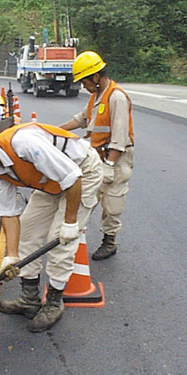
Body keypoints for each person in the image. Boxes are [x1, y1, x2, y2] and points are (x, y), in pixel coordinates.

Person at [0, 122, 103, 332]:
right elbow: (9, 213)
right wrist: (12, 256)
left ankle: (54, 302)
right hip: (52, 181)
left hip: (82, 173)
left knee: (59, 239)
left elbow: (72, 178)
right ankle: (29, 298)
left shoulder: (24, 144)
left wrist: (70, 223)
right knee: (27, 230)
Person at [59, 51, 134, 261]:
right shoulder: (96, 96)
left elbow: (119, 136)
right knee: (86, 196)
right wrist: (55, 131)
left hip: (116, 159)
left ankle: (109, 241)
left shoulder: (116, 97)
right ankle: (74, 233)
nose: (83, 86)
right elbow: (81, 119)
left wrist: (110, 164)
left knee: (112, 201)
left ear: (94, 77)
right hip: (96, 156)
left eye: (84, 81)